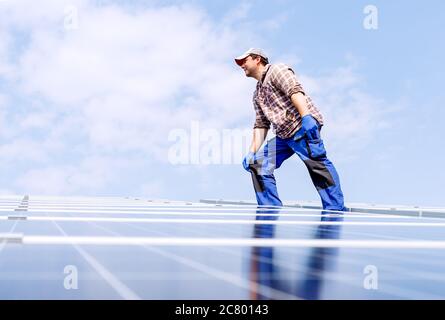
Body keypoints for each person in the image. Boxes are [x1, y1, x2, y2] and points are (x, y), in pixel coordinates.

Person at [235, 48, 345, 211]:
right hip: (283, 135)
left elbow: (295, 90)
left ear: (257, 59)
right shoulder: (257, 94)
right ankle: (270, 209)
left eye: (244, 61)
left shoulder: (276, 70)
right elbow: (261, 124)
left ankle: (334, 209)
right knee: (259, 164)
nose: (241, 65)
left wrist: (306, 117)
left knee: (317, 165)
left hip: (301, 127)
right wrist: (252, 152)